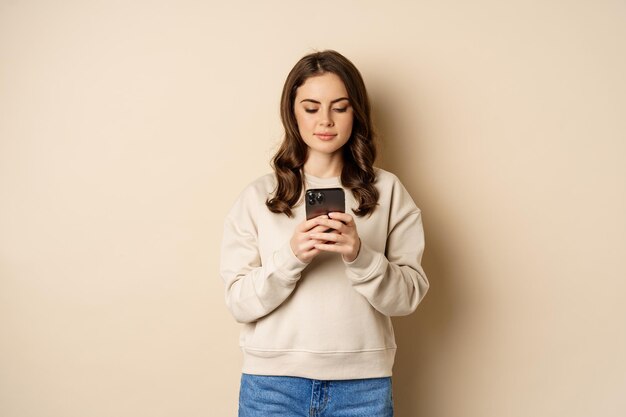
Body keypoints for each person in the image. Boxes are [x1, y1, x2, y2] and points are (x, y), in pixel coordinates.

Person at [220, 50, 429, 417]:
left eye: (340, 107)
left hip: (363, 387)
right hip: (272, 385)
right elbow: (239, 302)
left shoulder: (388, 191)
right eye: (312, 107)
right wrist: (292, 256)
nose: (326, 121)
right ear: (293, 112)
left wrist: (359, 256)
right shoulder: (259, 197)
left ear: (356, 112)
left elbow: (408, 298)